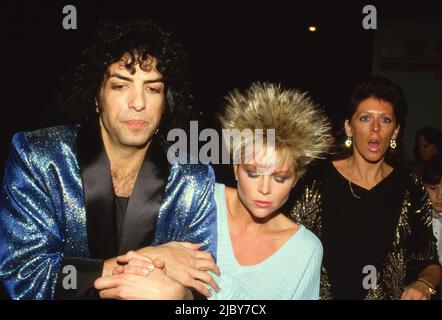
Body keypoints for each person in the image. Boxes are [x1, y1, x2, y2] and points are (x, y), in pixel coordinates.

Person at [0, 19, 219, 300]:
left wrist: (182, 296)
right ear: (97, 97)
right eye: (120, 86)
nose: (138, 102)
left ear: (166, 103)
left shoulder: (192, 177)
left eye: (152, 89)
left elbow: (202, 286)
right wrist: (145, 261)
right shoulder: (39, 156)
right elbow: (24, 275)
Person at [287, 76, 442, 300]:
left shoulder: (411, 186)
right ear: (349, 127)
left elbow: (429, 262)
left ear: (396, 131)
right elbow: (281, 243)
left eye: (386, 120)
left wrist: (424, 285)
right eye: (365, 118)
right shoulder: (315, 179)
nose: (376, 129)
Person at [209, 83, 332, 299]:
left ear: (296, 179)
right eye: (253, 173)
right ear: (236, 168)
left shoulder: (305, 251)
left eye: (279, 178)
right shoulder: (202, 201)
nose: (265, 189)